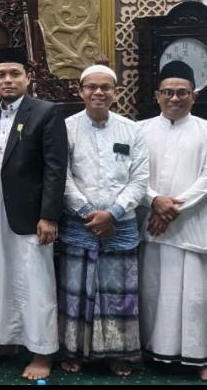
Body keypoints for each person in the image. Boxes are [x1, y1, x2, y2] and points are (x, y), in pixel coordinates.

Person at [0, 47, 67, 381]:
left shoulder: (45, 112)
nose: (8, 80)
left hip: (31, 214)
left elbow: (56, 169)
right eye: (1, 75)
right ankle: (4, 341)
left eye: (14, 74)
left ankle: (43, 351)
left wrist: (49, 215)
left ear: (28, 78)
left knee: (35, 281)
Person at [59, 64, 149, 377]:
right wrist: (88, 212)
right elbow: (62, 176)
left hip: (119, 224)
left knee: (117, 293)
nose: (98, 92)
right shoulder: (66, 128)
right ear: (81, 91)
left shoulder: (131, 130)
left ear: (116, 92)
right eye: (91, 87)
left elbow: (139, 179)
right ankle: (75, 352)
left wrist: (113, 213)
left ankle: (118, 354)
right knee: (78, 290)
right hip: (79, 223)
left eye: (105, 87)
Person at [137, 61, 207, 382]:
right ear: (157, 95)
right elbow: (133, 175)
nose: (175, 98)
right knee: (154, 293)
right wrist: (154, 201)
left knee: (195, 297)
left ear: (194, 96)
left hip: (191, 228)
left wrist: (171, 209)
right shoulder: (139, 131)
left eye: (182, 92)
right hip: (151, 224)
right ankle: (152, 351)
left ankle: (199, 359)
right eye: (168, 92)